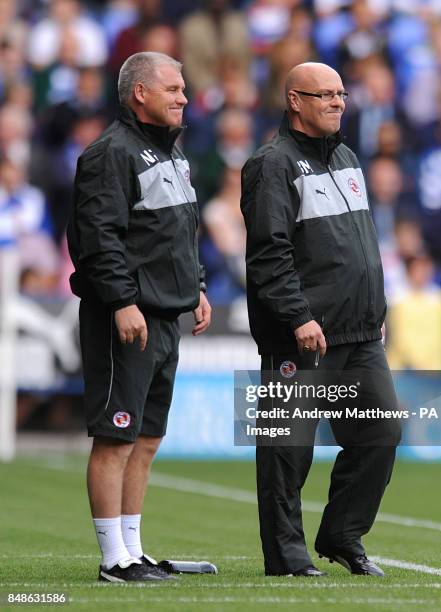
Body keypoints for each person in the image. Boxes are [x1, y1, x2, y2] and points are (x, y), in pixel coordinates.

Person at [240, 62, 401, 578]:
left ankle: (341, 535)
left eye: (341, 93)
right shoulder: (272, 164)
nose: (337, 102)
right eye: (324, 95)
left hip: (359, 331)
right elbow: (270, 253)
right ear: (294, 100)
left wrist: (375, 306)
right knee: (287, 449)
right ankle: (286, 557)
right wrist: (297, 317)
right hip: (303, 335)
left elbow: (360, 243)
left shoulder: (348, 157)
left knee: (380, 435)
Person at [67, 52, 211, 582]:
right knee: (117, 436)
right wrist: (123, 301)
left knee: (146, 438)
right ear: (140, 93)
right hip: (126, 317)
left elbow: (177, 231)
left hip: (167, 316)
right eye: (173, 88)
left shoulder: (173, 156)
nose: (184, 97)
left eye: (184, 88)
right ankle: (112, 560)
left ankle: (133, 549)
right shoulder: (110, 153)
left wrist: (195, 286)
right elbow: (96, 238)